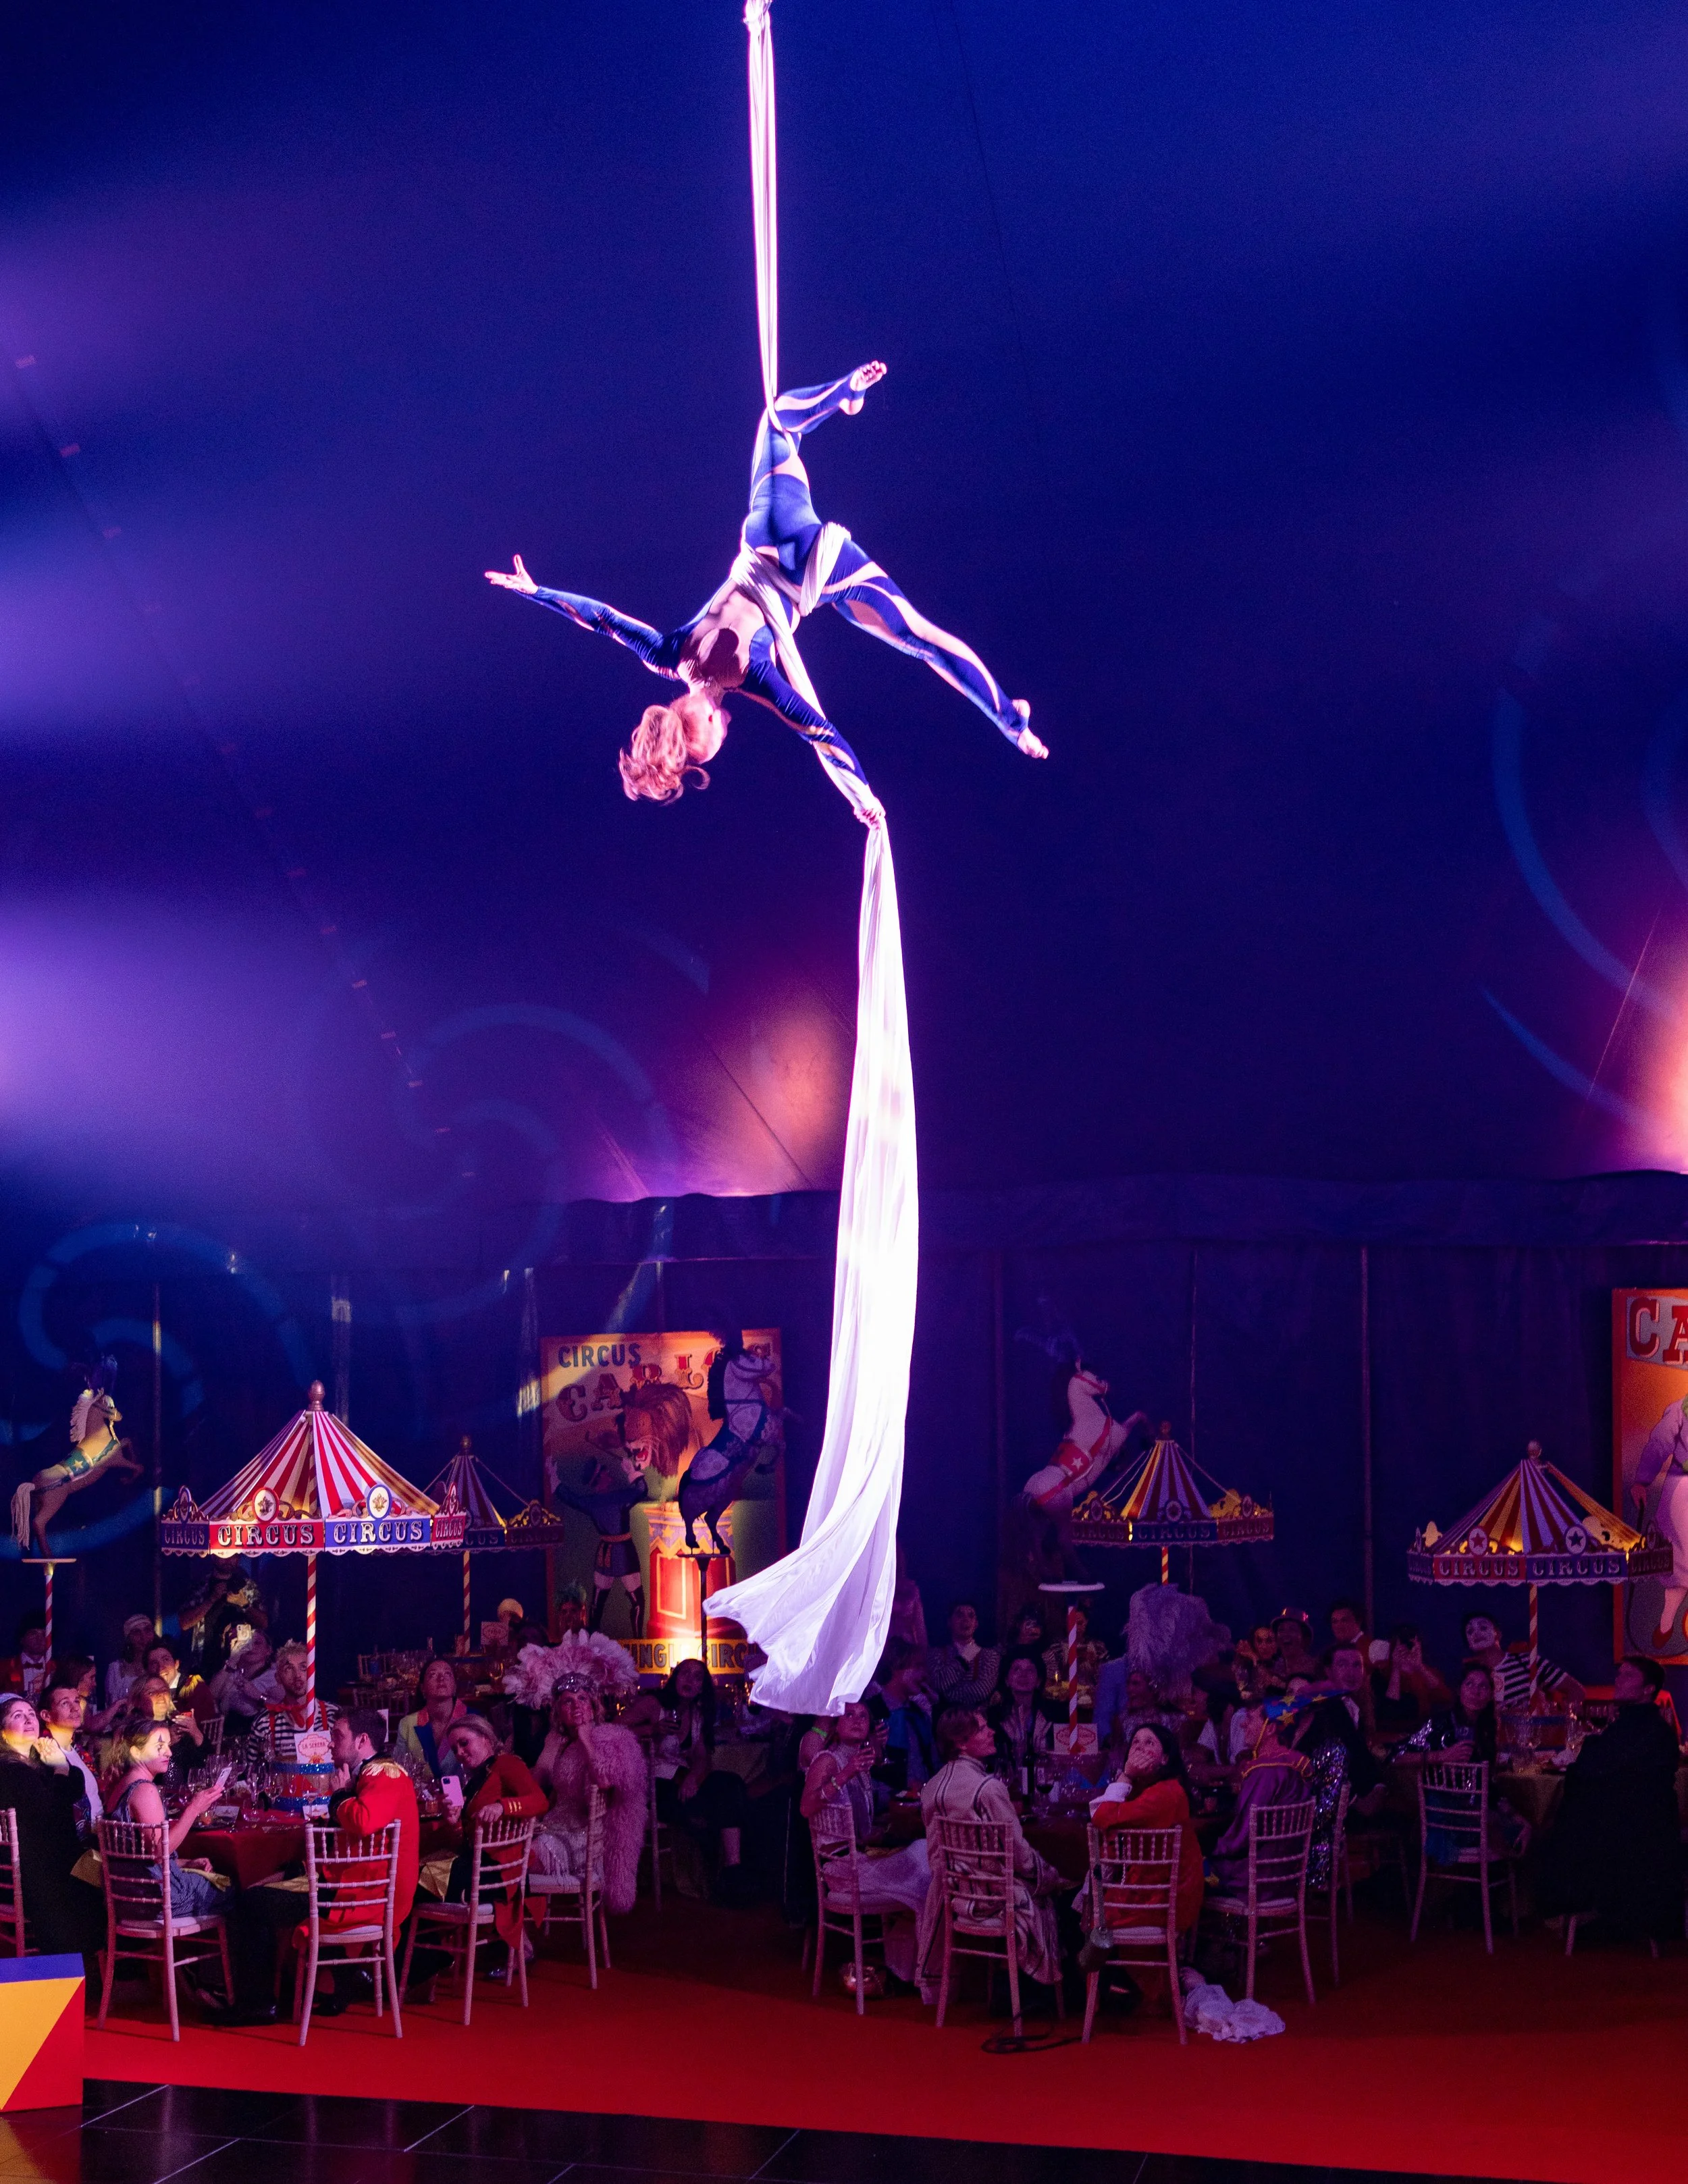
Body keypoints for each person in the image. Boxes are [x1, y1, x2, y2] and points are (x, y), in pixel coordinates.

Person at [487, 361, 1046, 830]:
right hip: (767, 535)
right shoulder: (668, 653)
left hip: (811, 570)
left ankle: (1011, 724)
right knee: (777, 419)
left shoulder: (752, 678)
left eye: (714, 741)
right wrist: (535, 591)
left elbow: (822, 734)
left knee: (921, 640)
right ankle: (840, 398)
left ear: (701, 719)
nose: (726, 735)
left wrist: (861, 797)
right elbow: (603, 619)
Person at [219, 1707, 418, 2023]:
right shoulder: (369, 1773)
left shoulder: (384, 1774)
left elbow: (363, 1821)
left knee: (249, 1903)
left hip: (361, 1896)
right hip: (354, 1884)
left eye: (337, 1736)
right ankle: (334, 1982)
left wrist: (338, 1796)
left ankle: (258, 2003)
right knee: (284, 1873)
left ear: (362, 1740)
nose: (328, 1744)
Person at [915, 1707, 1063, 2004]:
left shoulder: (931, 1788)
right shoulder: (988, 1789)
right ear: (962, 1742)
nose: (992, 1731)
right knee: (1057, 1893)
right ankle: (1046, 1997)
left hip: (956, 1896)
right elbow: (1020, 1858)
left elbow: (935, 1857)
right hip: (993, 1899)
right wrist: (1052, 1876)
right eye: (983, 1729)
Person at [1536, 1657, 1683, 1942]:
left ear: (1647, 1689)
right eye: (1619, 1674)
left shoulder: (1634, 1731)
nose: (1618, 1680)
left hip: (1619, 1834)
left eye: (1628, 1676)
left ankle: (1575, 1912)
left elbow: (1588, 1775)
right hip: (1650, 1831)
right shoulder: (1650, 1730)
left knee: (1553, 1831)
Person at [801, 1700, 931, 1984]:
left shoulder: (862, 1764)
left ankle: (906, 1969)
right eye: (849, 1715)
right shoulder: (827, 1760)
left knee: (927, 1857)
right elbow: (806, 1807)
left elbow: (857, 1827)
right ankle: (918, 1972)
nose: (858, 1720)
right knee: (927, 1870)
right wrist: (846, 1774)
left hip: (861, 1858)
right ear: (836, 1724)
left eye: (863, 1716)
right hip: (842, 1871)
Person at [531, 1676, 649, 1912]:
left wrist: (586, 1738)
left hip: (584, 1840)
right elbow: (542, 1786)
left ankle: (516, 1937)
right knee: (504, 1854)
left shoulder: (610, 1740)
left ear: (594, 1706)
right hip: (551, 1829)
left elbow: (606, 1781)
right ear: (558, 1712)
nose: (576, 1706)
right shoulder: (561, 1744)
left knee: (515, 1862)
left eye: (582, 1699)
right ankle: (517, 1936)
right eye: (568, 1702)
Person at [0, 1697, 105, 1961]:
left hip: (52, 1861)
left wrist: (61, 1764)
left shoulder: (33, 1764)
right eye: (17, 1716)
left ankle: (109, 1953)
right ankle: (113, 1952)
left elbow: (75, 1789)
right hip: (40, 1873)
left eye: (30, 1714)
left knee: (103, 1865)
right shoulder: (11, 1771)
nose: (28, 1720)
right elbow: (54, 1812)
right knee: (106, 1873)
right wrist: (60, 1767)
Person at [1088, 1723, 1205, 1948]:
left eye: (1149, 1743)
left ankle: (1097, 1977)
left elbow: (1101, 1816)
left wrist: (1127, 1775)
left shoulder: (1166, 1792)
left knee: (1082, 1906)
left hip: (1163, 1900)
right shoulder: (1144, 1790)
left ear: (1164, 1759)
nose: (1140, 1749)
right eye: (1135, 1743)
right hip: (1149, 1891)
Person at [103, 1715, 228, 1921]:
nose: (169, 1752)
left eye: (168, 1745)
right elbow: (161, 1850)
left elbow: (141, 1857)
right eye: (160, 1746)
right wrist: (194, 1809)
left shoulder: (120, 1785)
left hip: (128, 1896)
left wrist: (187, 1863)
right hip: (155, 1898)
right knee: (237, 1892)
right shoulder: (144, 1790)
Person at [652, 1659, 753, 1901]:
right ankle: (729, 1877)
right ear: (675, 1677)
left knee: (732, 1784)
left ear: (702, 1688)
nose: (689, 1680)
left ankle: (733, 1870)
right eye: (684, 1673)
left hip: (680, 1782)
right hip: (654, 1786)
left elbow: (700, 1757)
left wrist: (693, 1778)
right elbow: (615, 1730)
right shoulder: (653, 1705)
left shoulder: (696, 1716)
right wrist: (652, 1731)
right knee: (718, 1804)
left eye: (697, 1677)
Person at [1207, 1701, 1316, 1894]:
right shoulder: (1295, 1765)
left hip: (1255, 1876)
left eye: (1249, 1719)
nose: (1243, 1724)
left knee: (1193, 1867)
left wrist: (1212, 1848)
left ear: (1270, 1728)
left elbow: (1243, 1834)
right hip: (1287, 1873)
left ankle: (1223, 1922)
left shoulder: (1265, 1772)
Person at [1294, 1693, 1381, 1890]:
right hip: (1298, 1831)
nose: (1295, 1704)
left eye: (1302, 1699)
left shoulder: (1332, 1752)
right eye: (1290, 1695)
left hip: (1301, 1836)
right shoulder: (1283, 1740)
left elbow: (1324, 1811)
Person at [1462, 1610, 1584, 1710]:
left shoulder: (1527, 1662)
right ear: (1469, 1644)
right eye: (1470, 1631)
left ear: (1497, 1634)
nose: (1476, 1633)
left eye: (1483, 1627)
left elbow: (1576, 1691)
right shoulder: (1470, 1676)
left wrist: (1557, 1721)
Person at [244, 1640, 337, 1766]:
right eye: (289, 1669)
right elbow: (253, 1774)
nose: (297, 1675)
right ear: (278, 1678)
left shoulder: (333, 1716)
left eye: (303, 1668)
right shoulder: (264, 1724)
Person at [987, 1648, 1057, 1790]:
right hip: (1005, 1789)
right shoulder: (993, 1718)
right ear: (1006, 1679)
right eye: (1017, 1670)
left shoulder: (1055, 1715)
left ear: (1038, 1681)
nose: (1023, 1675)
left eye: (1030, 1670)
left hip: (1046, 1785)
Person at [1369, 1622, 1450, 1742]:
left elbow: (1446, 1699)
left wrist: (1420, 1667)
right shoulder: (1381, 1673)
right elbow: (1389, 1711)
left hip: (1423, 1735)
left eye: (1410, 1644)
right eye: (1401, 1644)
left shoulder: (1429, 1673)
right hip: (1390, 1737)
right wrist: (1396, 1668)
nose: (1406, 1648)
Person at [874, 1641, 937, 1793]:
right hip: (889, 1809)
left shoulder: (918, 1714)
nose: (923, 1674)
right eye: (917, 1667)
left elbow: (934, 1761)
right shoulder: (871, 1712)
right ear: (896, 1667)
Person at [395, 1658, 469, 1786]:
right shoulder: (408, 1724)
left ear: (455, 1686)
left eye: (447, 1674)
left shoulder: (473, 1720)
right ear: (423, 1688)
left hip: (466, 1797)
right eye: (433, 1674)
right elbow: (400, 1770)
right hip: (423, 1800)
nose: (441, 1678)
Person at [41, 1675, 101, 1824]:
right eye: (65, 1703)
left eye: (76, 1701)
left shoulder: (78, 1750)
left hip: (101, 1832)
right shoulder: (46, 1753)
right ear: (46, 1715)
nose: (75, 1708)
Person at [928, 1601, 1001, 1713]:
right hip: (944, 1722)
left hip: (977, 1724)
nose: (966, 1620)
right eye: (959, 1615)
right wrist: (965, 1658)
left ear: (976, 1623)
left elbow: (981, 1691)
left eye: (971, 1615)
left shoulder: (990, 1655)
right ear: (949, 1622)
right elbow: (938, 1684)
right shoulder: (936, 1653)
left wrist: (947, 1694)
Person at [208, 1630, 280, 1739]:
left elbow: (284, 1709)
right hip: (228, 1740)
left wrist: (257, 1695)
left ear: (268, 1650)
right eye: (246, 1643)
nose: (251, 1647)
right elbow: (211, 1695)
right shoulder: (232, 1672)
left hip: (260, 1739)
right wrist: (232, 1661)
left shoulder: (275, 1676)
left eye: (257, 1643)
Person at [1041, 1604, 1107, 1700]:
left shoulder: (1098, 1647)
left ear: (1086, 1623)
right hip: (1065, 1700)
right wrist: (1071, 1663)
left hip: (1092, 1699)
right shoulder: (1056, 1649)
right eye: (1072, 1623)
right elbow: (1053, 1683)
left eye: (1080, 1623)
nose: (1076, 1628)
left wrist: (1094, 1664)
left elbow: (1105, 1680)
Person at [105, 1615, 156, 1711]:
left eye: (147, 1630)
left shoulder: (159, 1666)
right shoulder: (116, 1669)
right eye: (137, 1632)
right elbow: (112, 1706)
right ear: (128, 1638)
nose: (143, 1637)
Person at [888, 1544, 928, 1653]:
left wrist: (922, 1655)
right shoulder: (876, 1589)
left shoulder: (910, 1590)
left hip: (907, 1651)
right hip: (881, 1650)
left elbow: (920, 1626)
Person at [1, 1617, 50, 1703]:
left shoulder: (56, 1669)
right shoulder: (4, 1667)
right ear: (22, 1639)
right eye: (33, 1634)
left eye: (43, 1634)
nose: (39, 1639)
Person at [1269, 1611, 1319, 1683]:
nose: (1286, 1634)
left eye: (1292, 1629)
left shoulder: (1316, 1669)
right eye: (1281, 1630)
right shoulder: (1275, 1668)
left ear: (1304, 1638)